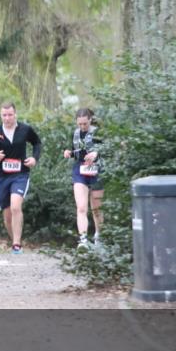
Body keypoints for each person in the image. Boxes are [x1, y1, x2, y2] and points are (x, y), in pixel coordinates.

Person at [0, 102, 42, 254]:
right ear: (0, 116)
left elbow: (37, 143)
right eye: (4, 115)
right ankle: (16, 242)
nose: (7, 118)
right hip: (2, 178)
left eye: (10, 115)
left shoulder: (25, 129)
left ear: (15, 115)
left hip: (20, 175)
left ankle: (16, 244)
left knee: (15, 207)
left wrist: (34, 158)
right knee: (7, 216)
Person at [63, 107, 104, 250]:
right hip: (80, 171)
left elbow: (107, 149)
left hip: (96, 171)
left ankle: (99, 237)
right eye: (79, 124)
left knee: (96, 209)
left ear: (90, 120)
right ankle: (83, 240)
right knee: (81, 207)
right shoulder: (75, 133)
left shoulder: (98, 132)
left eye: (85, 124)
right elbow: (74, 151)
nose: (82, 127)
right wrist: (68, 152)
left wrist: (96, 154)